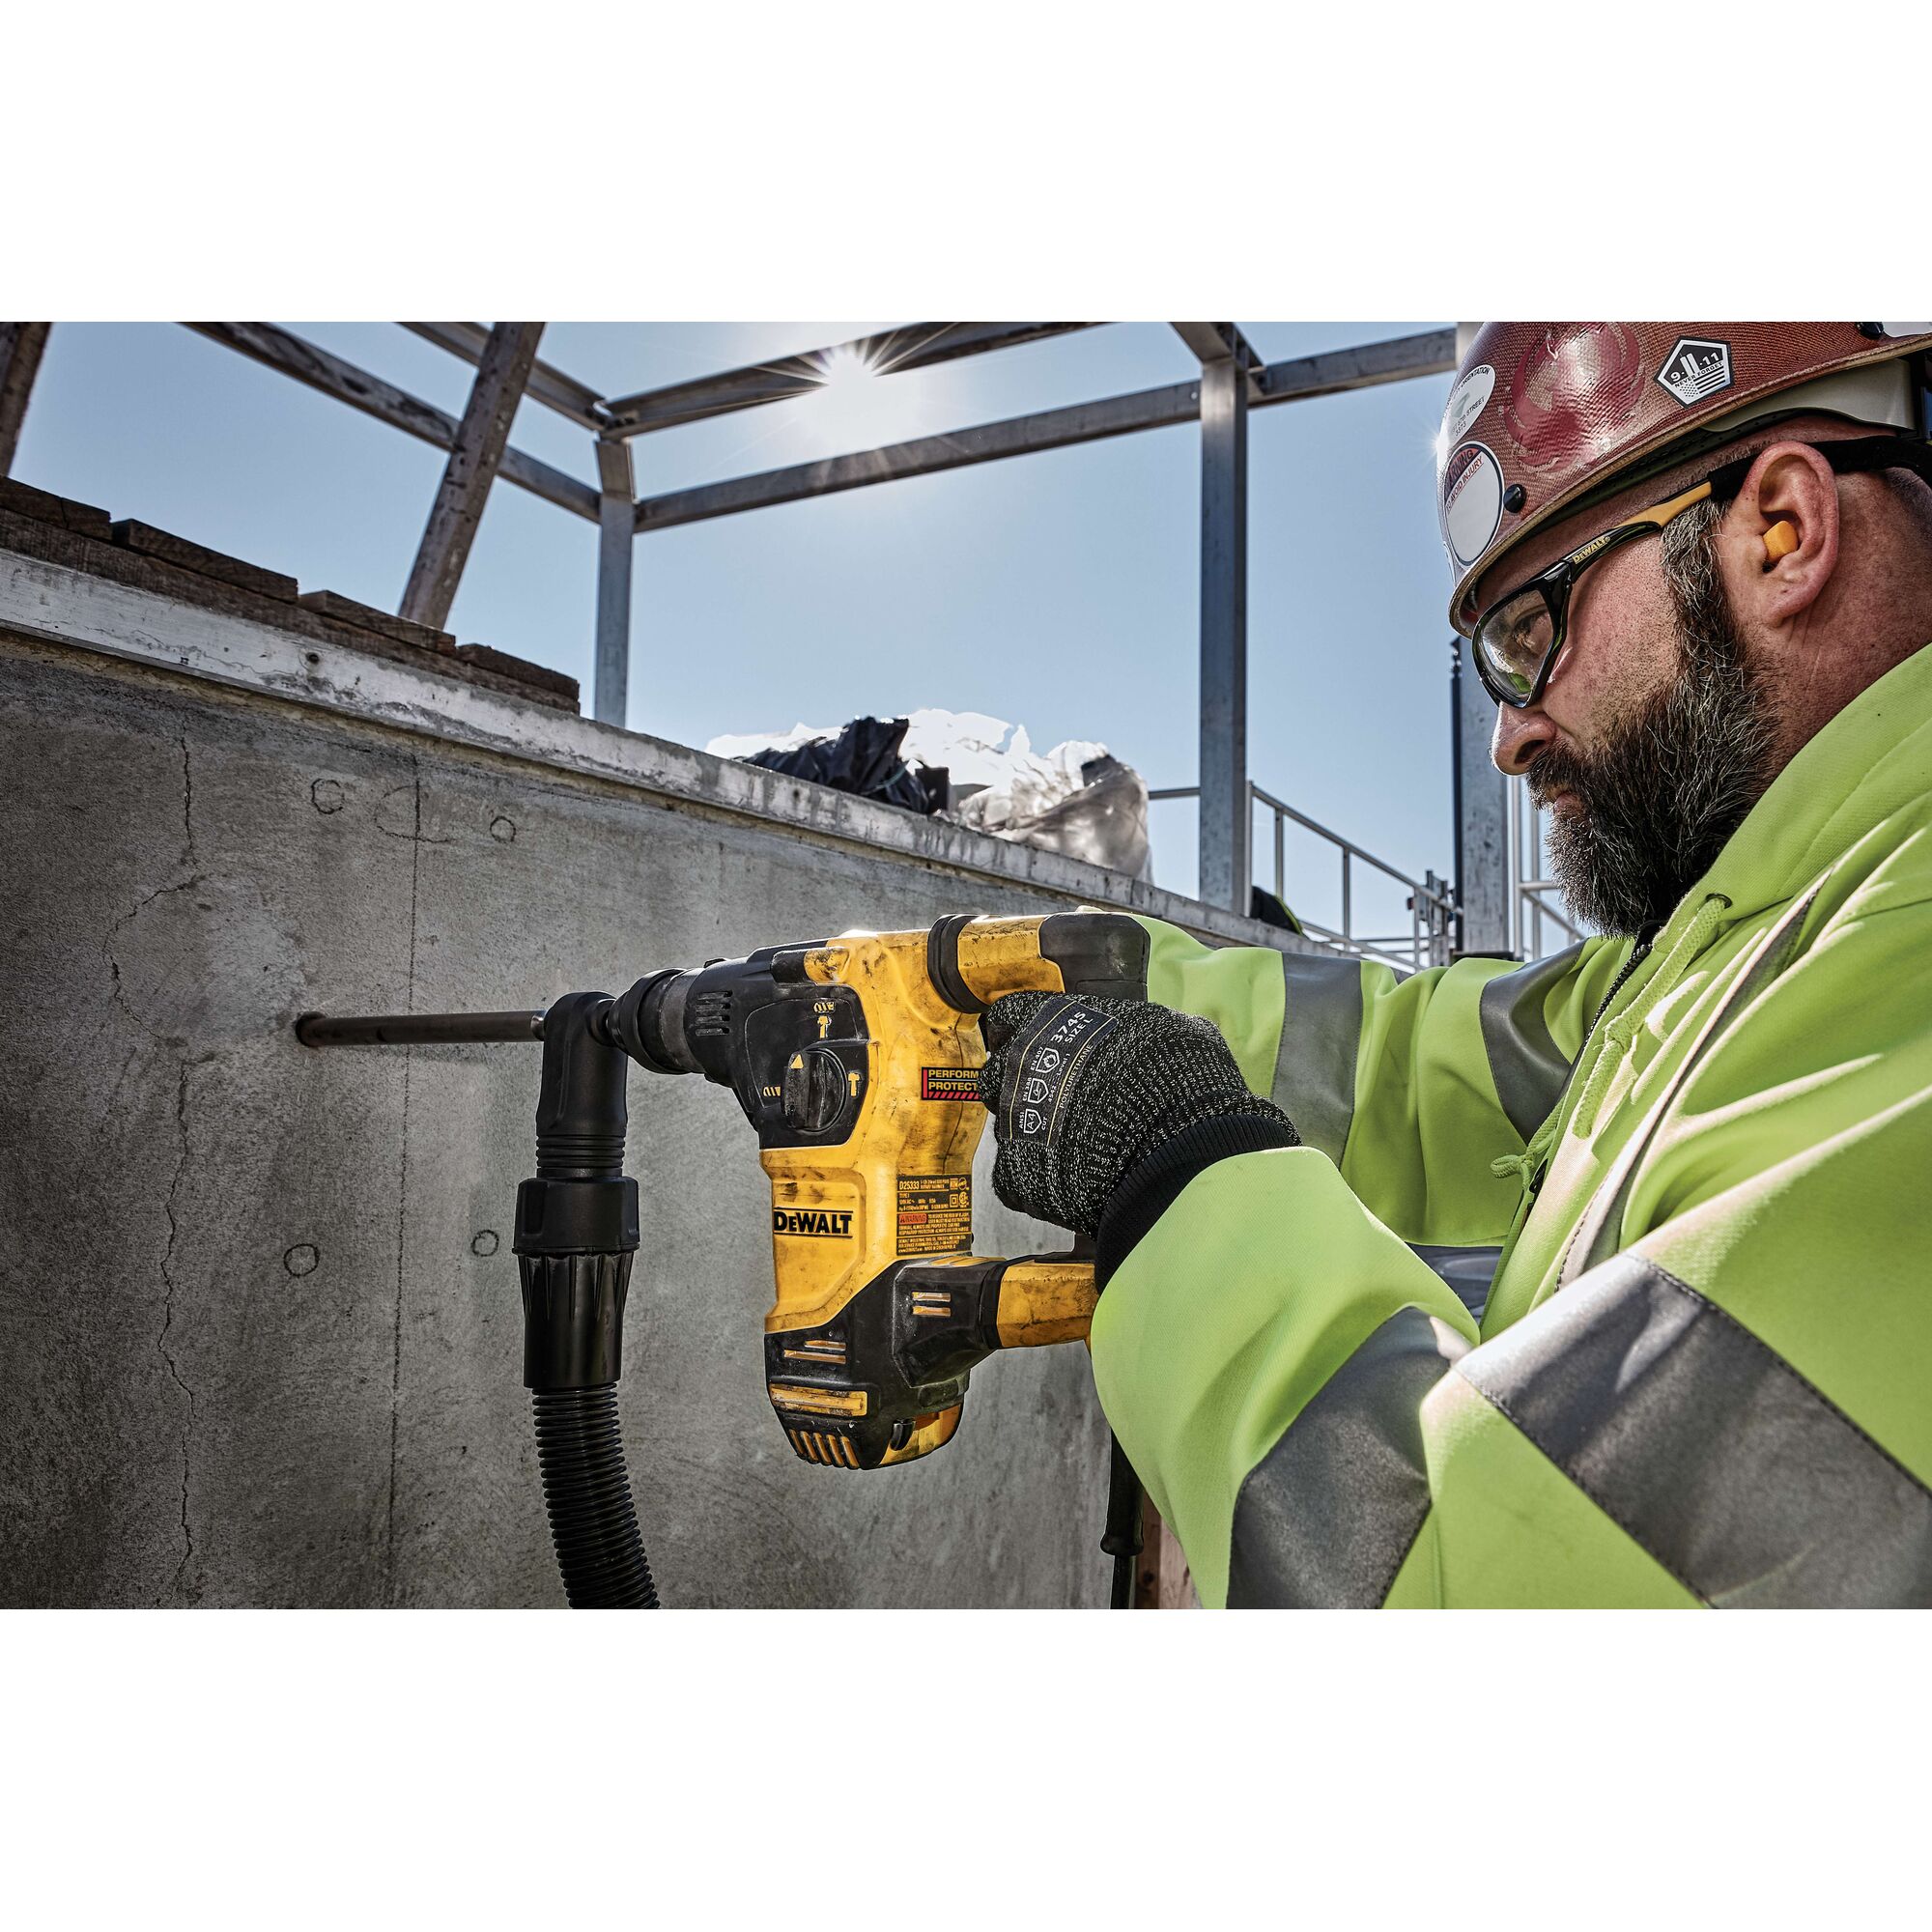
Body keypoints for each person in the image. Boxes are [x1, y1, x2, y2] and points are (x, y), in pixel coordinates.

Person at [978, 323, 1932, 1607]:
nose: (1511, 736)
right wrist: (1063, 975)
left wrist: (1172, 1171)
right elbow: (1413, 1062)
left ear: (1780, 530)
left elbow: (1466, 1597)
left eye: (1527, 635)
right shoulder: (1758, 929)